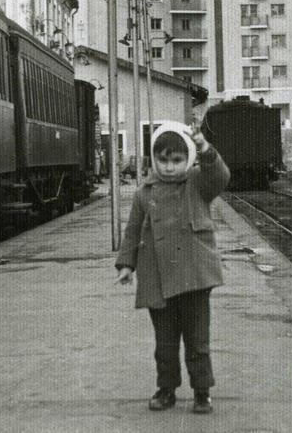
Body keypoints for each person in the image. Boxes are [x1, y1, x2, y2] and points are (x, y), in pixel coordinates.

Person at [114, 122, 230, 414]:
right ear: (154, 159)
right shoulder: (144, 193)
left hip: (194, 277)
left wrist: (205, 148)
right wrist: (126, 265)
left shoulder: (198, 183)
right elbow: (132, 231)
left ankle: (202, 391)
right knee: (164, 344)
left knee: (197, 341)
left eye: (177, 160)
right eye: (163, 160)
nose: (169, 167)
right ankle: (166, 389)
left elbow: (220, 176)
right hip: (158, 279)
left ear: (188, 158)